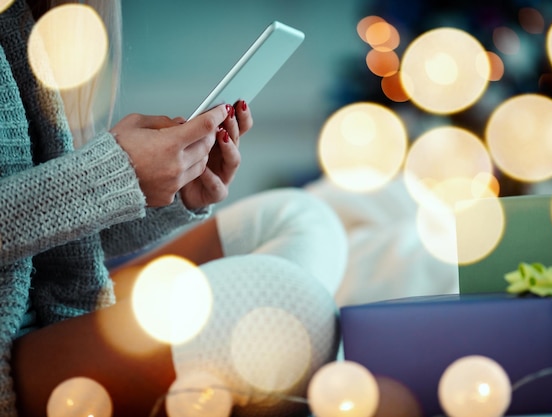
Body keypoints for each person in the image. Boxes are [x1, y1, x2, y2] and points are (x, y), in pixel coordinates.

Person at [0, 0, 348, 416]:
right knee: (290, 310)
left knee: (301, 217)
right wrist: (115, 173)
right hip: (17, 355)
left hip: (55, 319)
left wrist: (171, 190)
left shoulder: (25, 27)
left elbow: (54, 242)